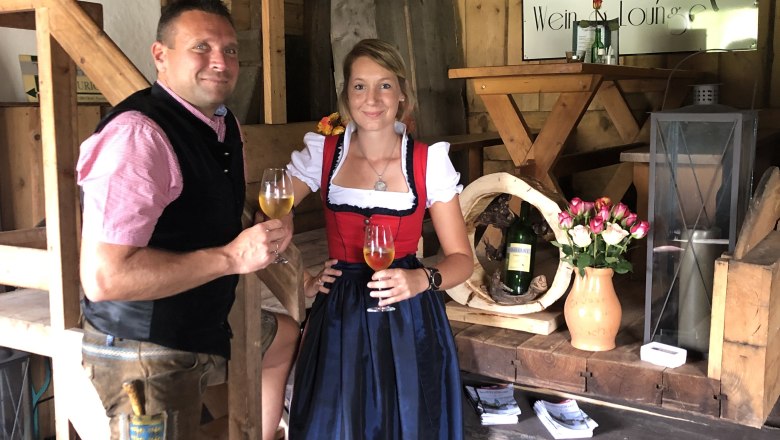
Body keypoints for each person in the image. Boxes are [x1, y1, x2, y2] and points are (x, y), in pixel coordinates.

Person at [77, 1, 297, 439]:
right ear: (161, 55)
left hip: (203, 322)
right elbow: (105, 278)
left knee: (286, 336)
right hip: (144, 348)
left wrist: (262, 222)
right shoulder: (138, 136)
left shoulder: (221, 123)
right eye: (202, 46)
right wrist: (233, 258)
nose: (221, 61)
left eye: (231, 50)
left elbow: (201, 208)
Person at [286, 38, 473, 439]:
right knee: (336, 422)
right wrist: (301, 276)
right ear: (346, 95)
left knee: (408, 422)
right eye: (359, 86)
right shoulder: (323, 154)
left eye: (384, 85)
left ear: (402, 93)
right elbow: (267, 214)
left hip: (409, 316)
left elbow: (461, 258)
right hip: (338, 314)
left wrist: (423, 279)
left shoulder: (429, 162)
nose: (372, 98)